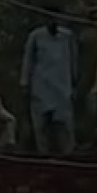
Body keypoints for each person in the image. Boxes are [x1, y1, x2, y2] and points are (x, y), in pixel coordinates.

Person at [20, 10, 78, 156]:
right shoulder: (36, 36)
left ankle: (67, 154)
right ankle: (43, 154)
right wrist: (25, 83)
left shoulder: (67, 36)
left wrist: (74, 80)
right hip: (41, 85)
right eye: (49, 18)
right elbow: (28, 60)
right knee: (41, 124)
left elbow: (73, 59)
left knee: (64, 123)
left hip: (62, 85)